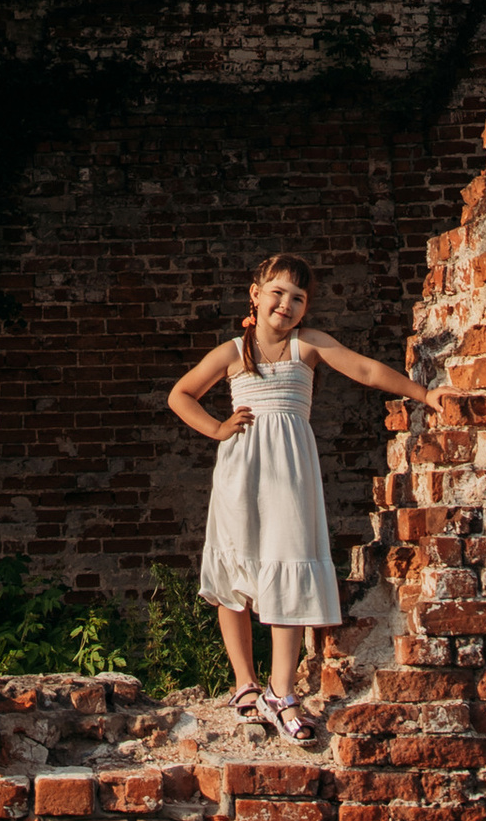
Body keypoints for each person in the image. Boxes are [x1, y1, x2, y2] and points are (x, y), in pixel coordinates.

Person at [167, 250, 440, 741]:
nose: (286, 305)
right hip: (241, 473)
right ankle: (245, 683)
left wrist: (423, 395)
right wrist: (217, 428)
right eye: (277, 293)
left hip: (290, 475)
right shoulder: (232, 352)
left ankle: (282, 691)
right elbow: (180, 394)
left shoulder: (307, 344)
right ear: (256, 295)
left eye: (298, 298)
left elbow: (366, 370)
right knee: (235, 567)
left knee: (288, 564)